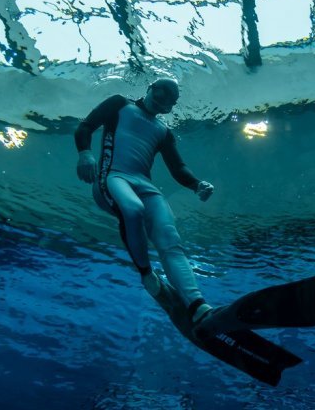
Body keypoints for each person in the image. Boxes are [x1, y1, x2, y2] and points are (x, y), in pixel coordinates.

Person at [74, 78, 215, 325]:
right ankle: (147, 274)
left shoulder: (163, 131)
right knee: (133, 209)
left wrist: (197, 185)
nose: (160, 102)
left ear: (170, 108)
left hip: (145, 185)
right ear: (149, 89)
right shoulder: (119, 104)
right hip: (113, 178)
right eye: (158, 95)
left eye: (167, 102)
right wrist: (85, 153)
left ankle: (197, 304)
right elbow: (86, 126)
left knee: (170, 239)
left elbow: (178, 167)